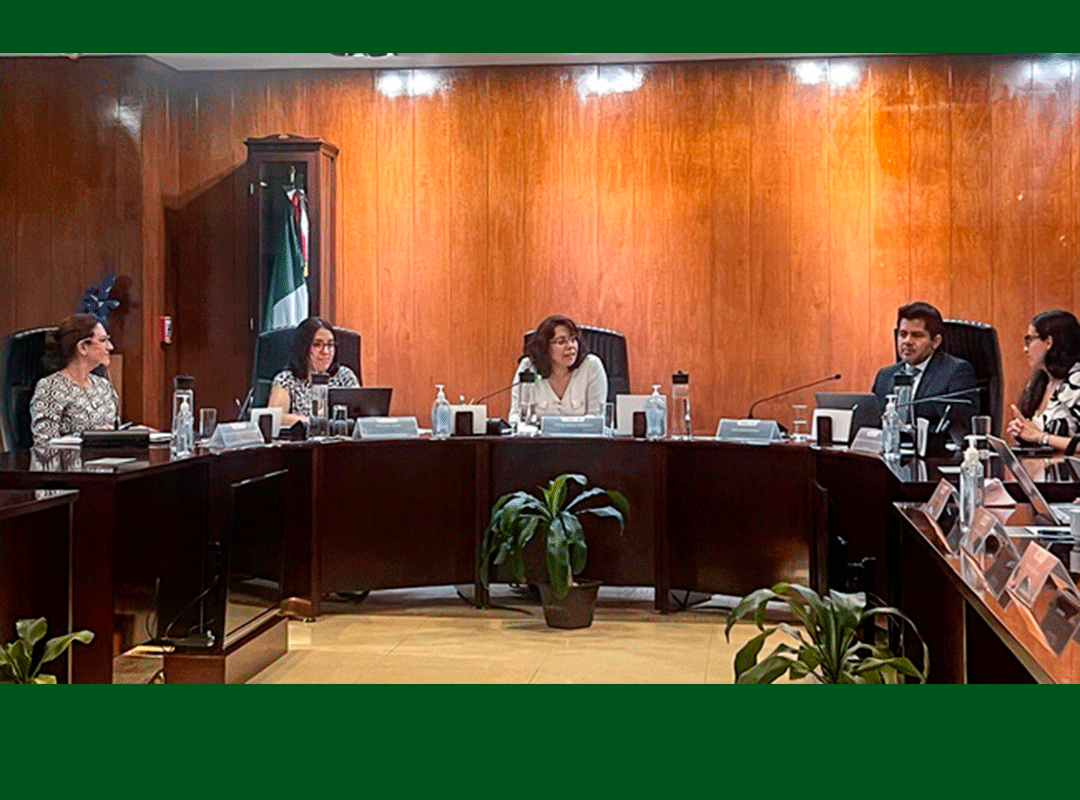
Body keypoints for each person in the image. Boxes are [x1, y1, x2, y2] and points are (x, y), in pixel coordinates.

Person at [870, 301, 979, 438]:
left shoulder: (956, 372)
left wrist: (912, 433)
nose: (907, 341)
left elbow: (959, 429)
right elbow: (872, 424)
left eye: (917, 335)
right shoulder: (884, 376)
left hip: (932, 450)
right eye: (902, 334)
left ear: (935, 342)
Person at [29, 313, 119, 447]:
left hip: (108, 458)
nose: (110, 347)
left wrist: (135, 434)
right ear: (82, 347)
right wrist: (91, 437)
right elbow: (44, 443)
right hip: (70, 460)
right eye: (103, 340)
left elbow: (113, 430)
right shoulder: (50, 387)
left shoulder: (103, 385)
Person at [508, 315, 607, 424]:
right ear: (545, 346)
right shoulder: (528, 367)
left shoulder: (591, 366)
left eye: (573, 340)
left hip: (582, 435)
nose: (571, 346)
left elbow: (596, 419)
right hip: (538, 435)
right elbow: (515, 416)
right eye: (561, 342)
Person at [1005, 309, 1080, 454]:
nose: (1025, 349)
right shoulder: (1041, 381)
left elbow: (1040, 436)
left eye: (1029, 340)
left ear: (1048, 342)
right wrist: (1022, 432)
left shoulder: (1076, 383)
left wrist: (1041, 437)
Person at [269, 317, 359, 427]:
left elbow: (359, 415)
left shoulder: (345, 376)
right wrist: (315, 423)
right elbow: (276, 417)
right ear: (303, 348)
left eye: (330, 345)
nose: (325, 351)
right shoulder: (286, 379)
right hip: (300, 437)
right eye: (317, 344)